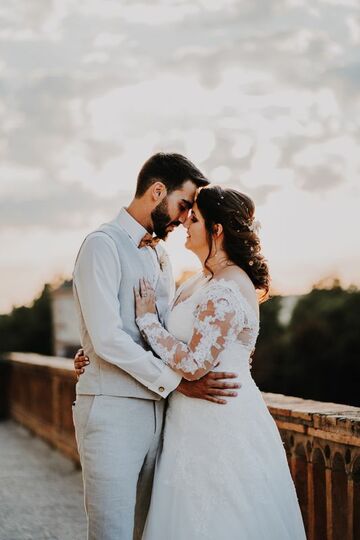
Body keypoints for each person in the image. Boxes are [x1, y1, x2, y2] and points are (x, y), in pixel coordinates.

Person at [72, 153, 241, 540]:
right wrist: (177, 382)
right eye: (183, 205)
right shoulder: (102, 245)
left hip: (163, 414)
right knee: (112, 532)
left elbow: (162, 332)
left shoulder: (159, 255)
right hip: (114, 411)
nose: (184, 218)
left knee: (147, 531)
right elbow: (108, 338)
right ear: (157, 191)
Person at [132, 185, 307, 539]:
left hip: (220, 418)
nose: (185, 224)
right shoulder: (201, 281)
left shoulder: (228, 287)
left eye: (193, 219)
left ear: (217, 230)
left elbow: (196, 363)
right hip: (189, 420)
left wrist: (148, 321)